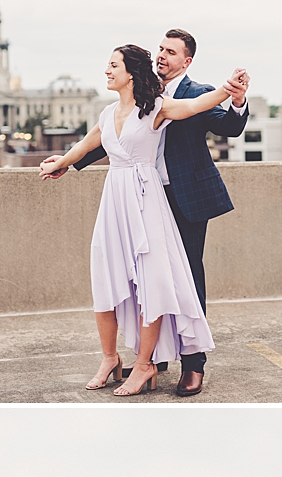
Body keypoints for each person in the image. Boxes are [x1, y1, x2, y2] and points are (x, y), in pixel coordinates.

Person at [51, 30, 250, 397]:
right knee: (141, 279)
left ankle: (193, 365)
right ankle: (152, 359)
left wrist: (234, 97)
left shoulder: (190, 94)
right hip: (138, 199)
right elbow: (113, 136)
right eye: (159, 49)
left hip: (184, 198)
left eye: (171, 52)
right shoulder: (142, 95)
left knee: (185, 279)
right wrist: (68, 162)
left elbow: (230, 126)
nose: (162, 55)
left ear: (186, 61)